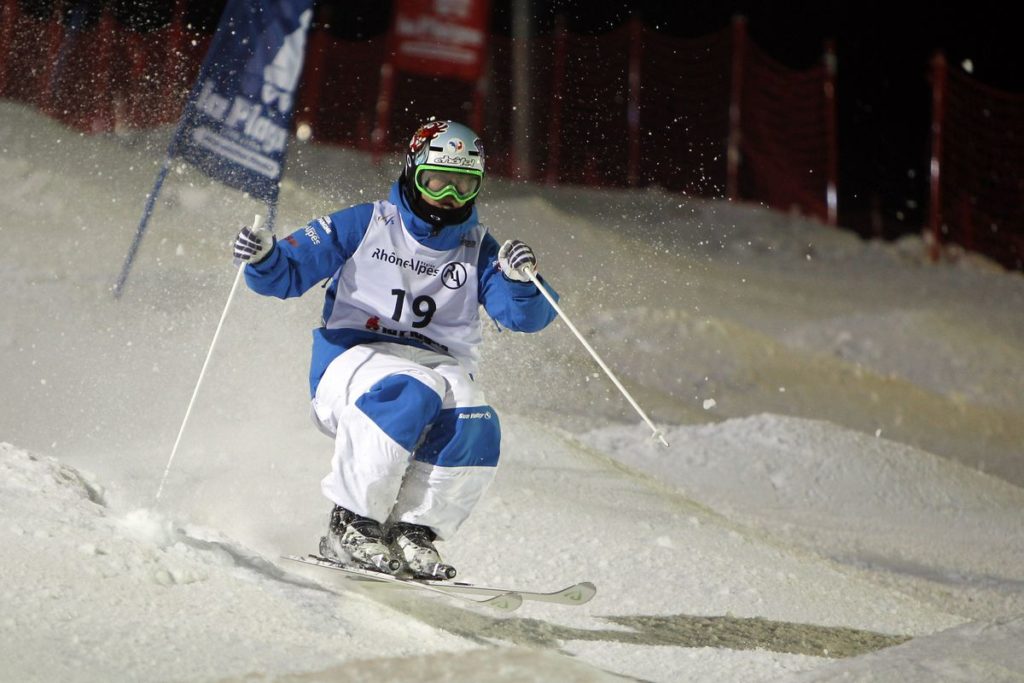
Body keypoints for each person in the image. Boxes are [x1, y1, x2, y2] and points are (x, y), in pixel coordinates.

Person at [232, 120, 558, 579]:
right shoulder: (367, 223)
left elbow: (523, 317)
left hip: (437, 365)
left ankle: (414, 530)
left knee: (473, 412)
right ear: (412, 171)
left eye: (464, 186)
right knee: (412, 386)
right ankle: (352, 522)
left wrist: (522, 281)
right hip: (353, 362)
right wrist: (263, 258)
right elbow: (287, 273)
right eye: (437, 181)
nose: (448, 197)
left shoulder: (479, 248)